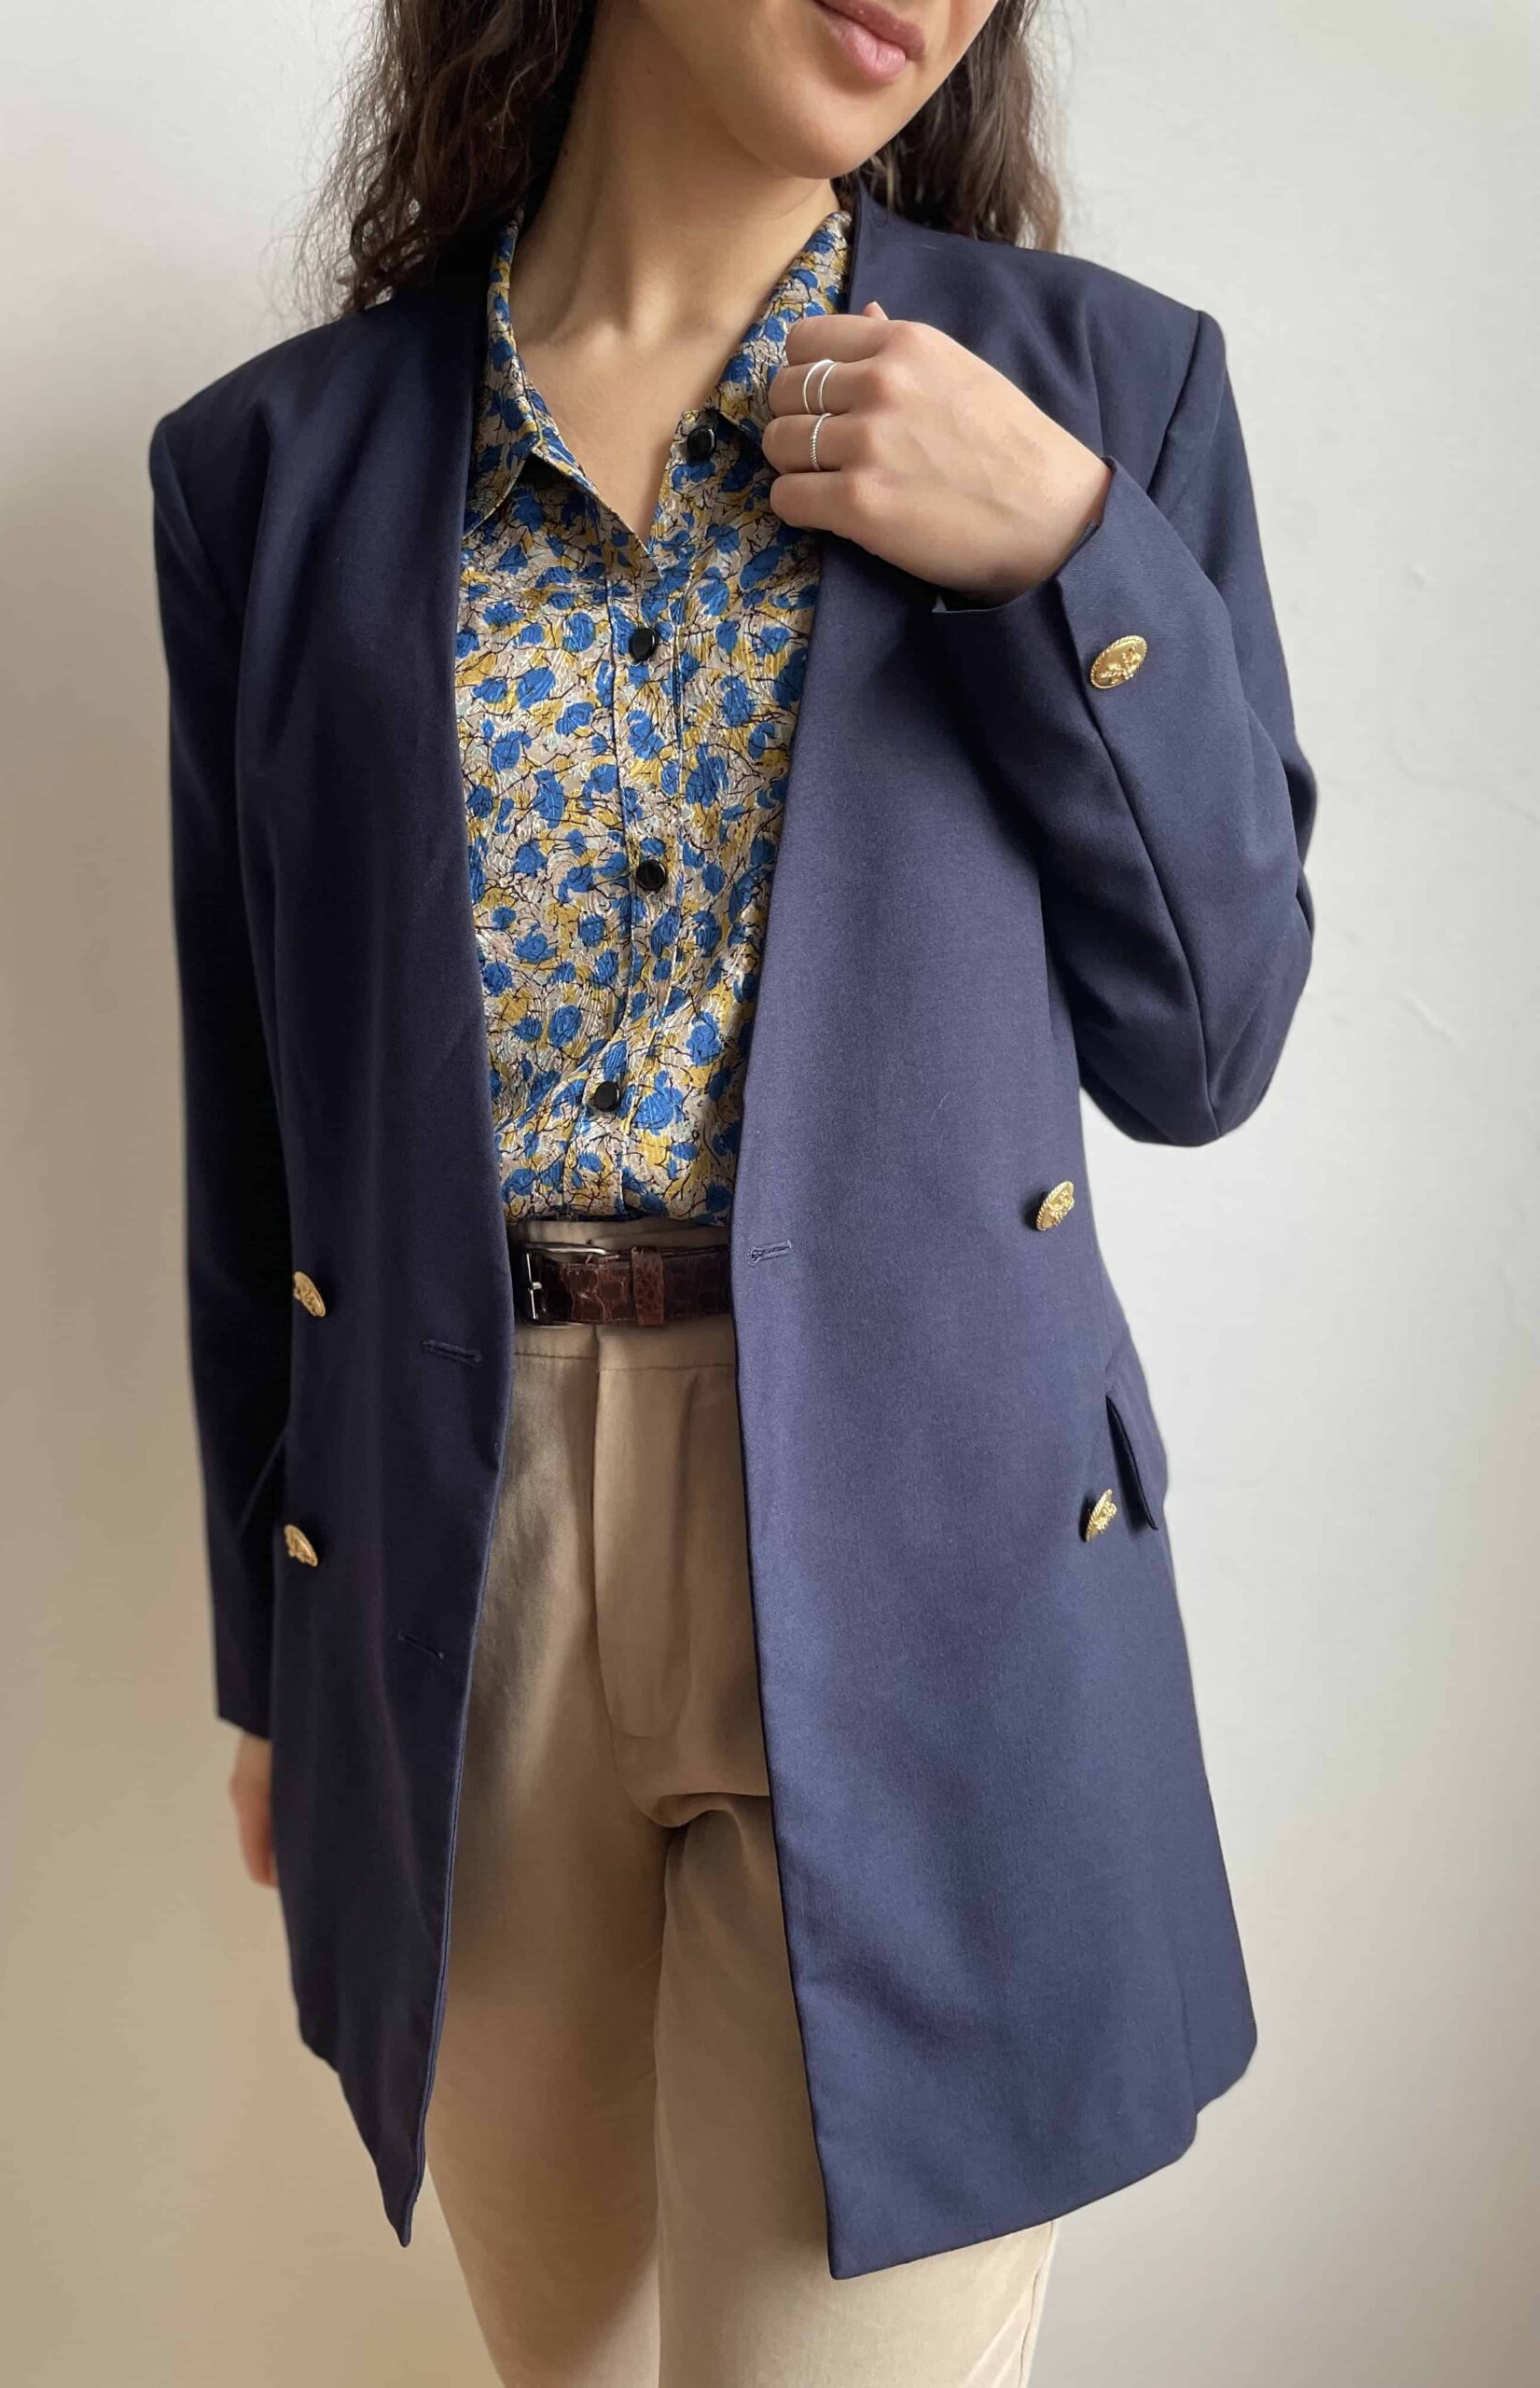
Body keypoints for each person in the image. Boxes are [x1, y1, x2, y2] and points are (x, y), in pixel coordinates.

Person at [146, 1, 1316, 2379]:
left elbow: (1206, 1045)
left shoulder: (1096, 392)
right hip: (460, 1553)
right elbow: (258, 1114)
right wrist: (276, 1659)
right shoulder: (276, 468)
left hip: (925, 1548)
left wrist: (1065, 553)